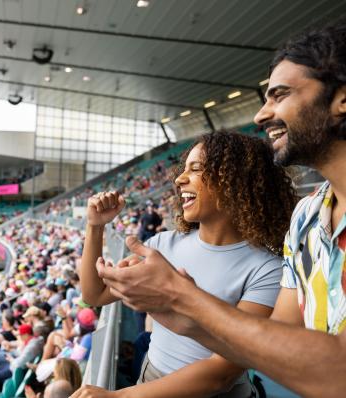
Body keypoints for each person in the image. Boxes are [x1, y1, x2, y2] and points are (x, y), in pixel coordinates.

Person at [87, 20, 346, 398]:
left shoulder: (264, 263)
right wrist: (185, 315)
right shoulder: (305, 218)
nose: (261, 115)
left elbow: (338, 373)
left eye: (279, 94)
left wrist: (185, 299)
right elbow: (277, 346)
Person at [76, 130, 297, 397]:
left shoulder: (269, 270)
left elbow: (221, 373)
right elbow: (94, 294)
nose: (180, 179)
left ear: (234, 180)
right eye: (184, 169)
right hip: (150, 378)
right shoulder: (163, 245)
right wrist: (95, 226)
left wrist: (118, 395)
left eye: (196, 169)